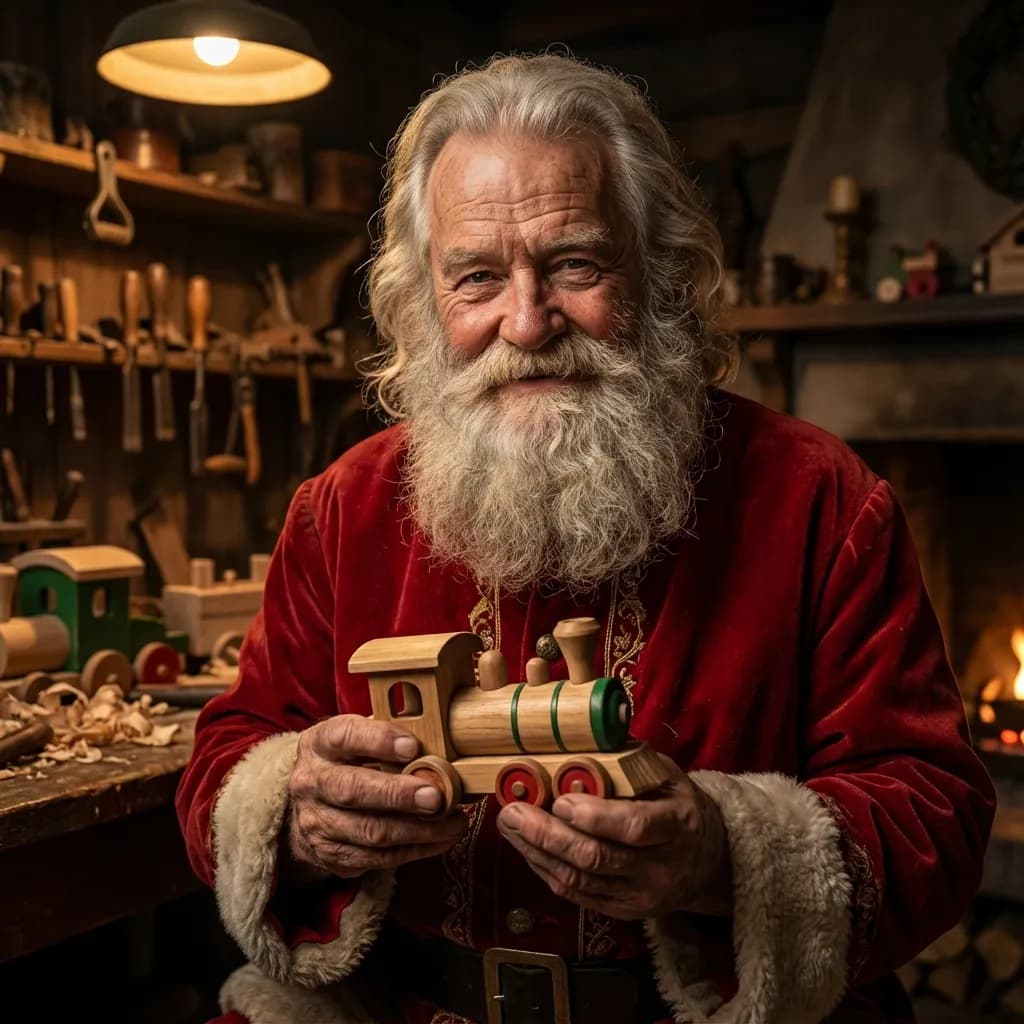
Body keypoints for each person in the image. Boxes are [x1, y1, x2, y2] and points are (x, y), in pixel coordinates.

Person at [176, 52, 995, 1024]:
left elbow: (935, 810)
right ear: (424, 302)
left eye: (574, 264)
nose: (525, 323)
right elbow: (229, 752)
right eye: (477, 277)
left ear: (659, 270)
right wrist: (294, 815)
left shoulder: (822, 498)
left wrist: (721, 853)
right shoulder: (341, 507)